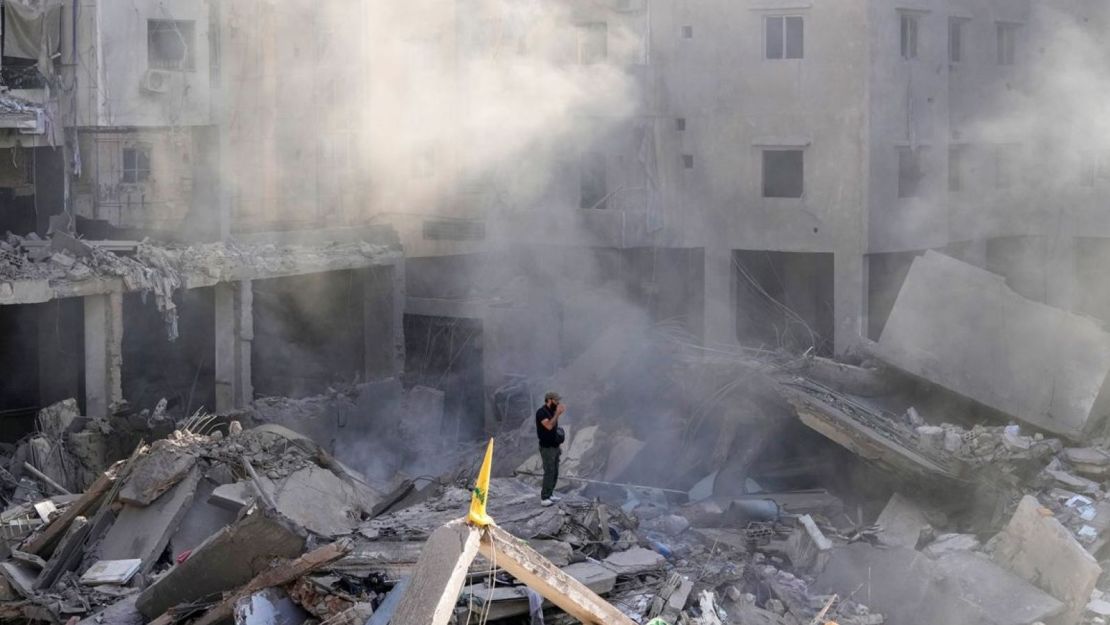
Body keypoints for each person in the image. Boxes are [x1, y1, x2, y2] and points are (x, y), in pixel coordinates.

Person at [536, 391, 565, 506]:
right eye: (556, 400)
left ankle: (550, 494)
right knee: (549, 471)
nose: (558, 402)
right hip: (547, 447)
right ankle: (544, 498)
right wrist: (557, 414)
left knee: (555, 471)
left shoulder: (551, 411)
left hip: (555, 446)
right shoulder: (541, 412)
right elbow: (548, 426)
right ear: (549, 400)